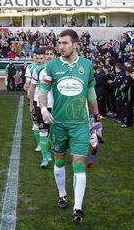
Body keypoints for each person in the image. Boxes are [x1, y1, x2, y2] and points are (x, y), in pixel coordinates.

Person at [39, 29, 101, 223]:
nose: (61, 47)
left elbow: (91, 94)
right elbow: (43, 90)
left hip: (80, 125)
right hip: (58, 124)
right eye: (59, 43)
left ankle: (78, 208)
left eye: (65, 43)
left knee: (79, 164)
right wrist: (43, 109)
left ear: (75, 45)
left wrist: (96, 120)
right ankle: (62, 194)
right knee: (58, 161)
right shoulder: (52, 67)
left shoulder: (87, 65)